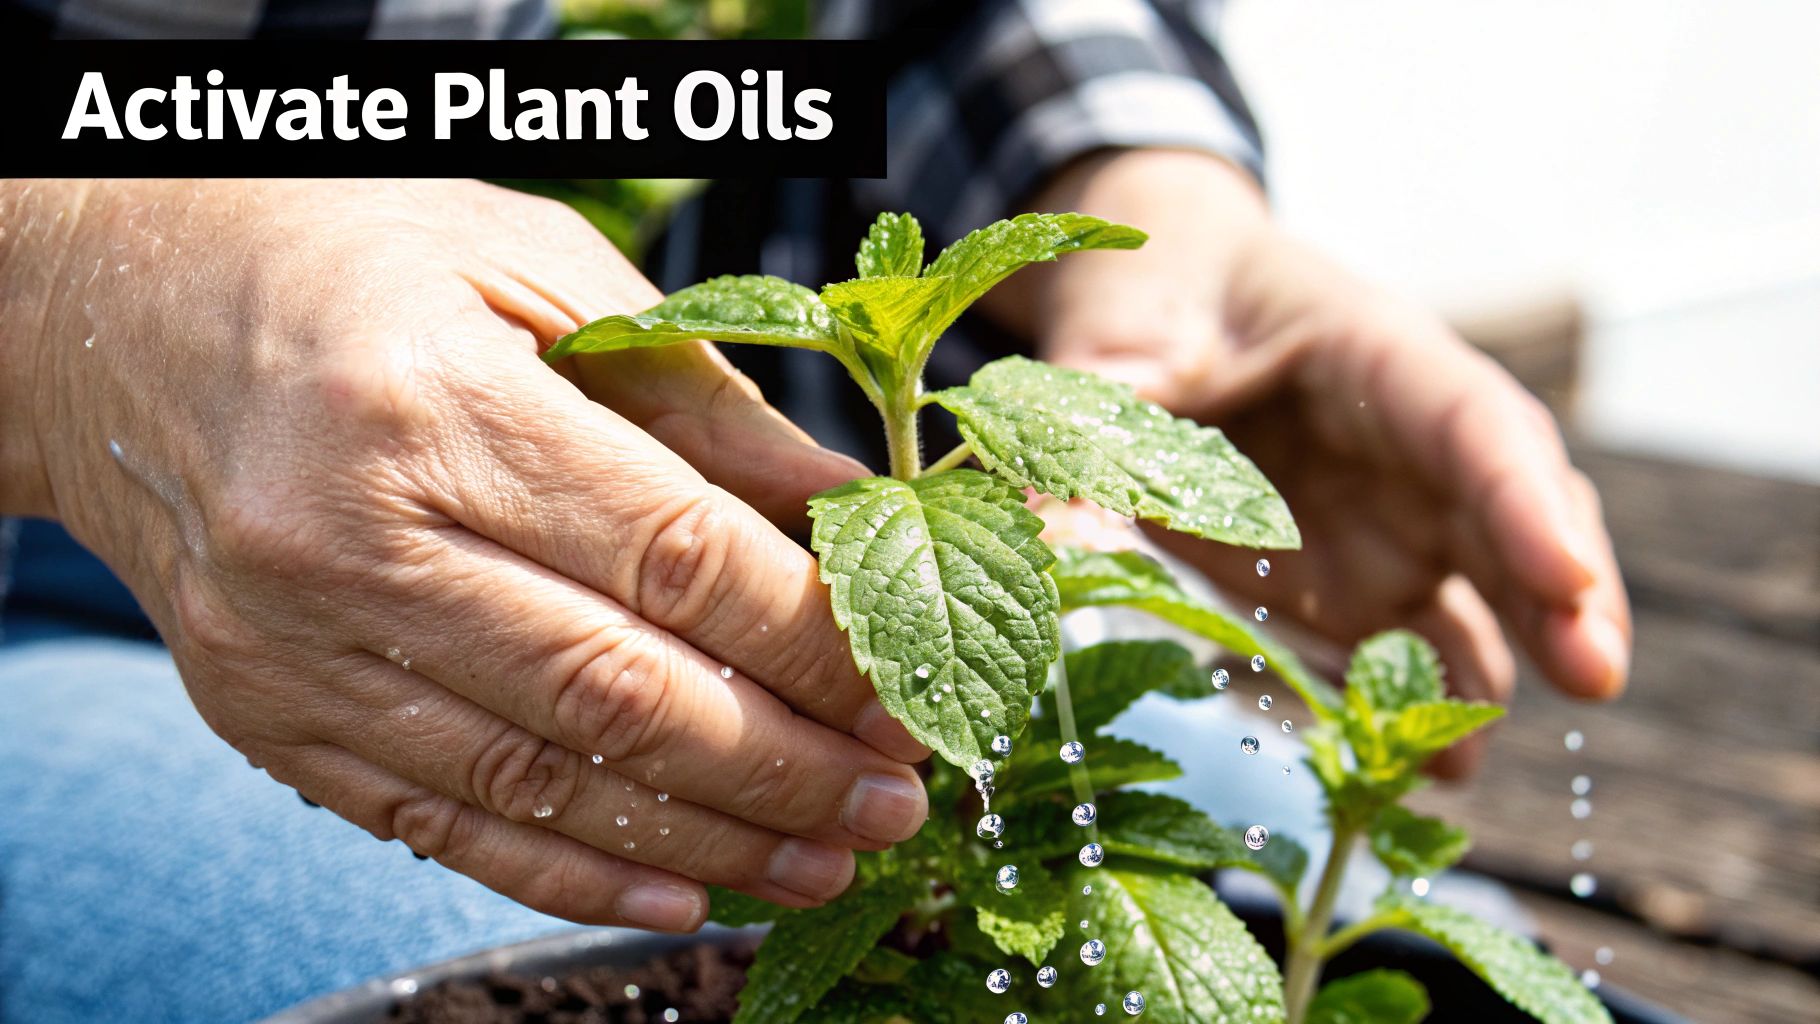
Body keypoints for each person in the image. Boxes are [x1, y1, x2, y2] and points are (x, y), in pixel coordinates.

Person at [0, 1, 1630, 1020]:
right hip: (36, 575)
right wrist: (72, 296)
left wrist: (1125, 178)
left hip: (656, 546)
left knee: (1356, 920)